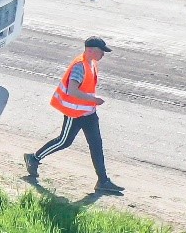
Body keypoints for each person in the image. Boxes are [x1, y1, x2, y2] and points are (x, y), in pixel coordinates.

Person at [25, 36, 125, 195]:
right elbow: (72, 90)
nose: (103, 55)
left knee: (96, 145)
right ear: (90, 50)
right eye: (101, 51)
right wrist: (93, 100)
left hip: (89, 113)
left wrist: (91, 104)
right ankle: (34, 158)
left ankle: (103, 181)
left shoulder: (91, 64)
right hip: (75, 114)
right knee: (64, 141)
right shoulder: (80, 66)